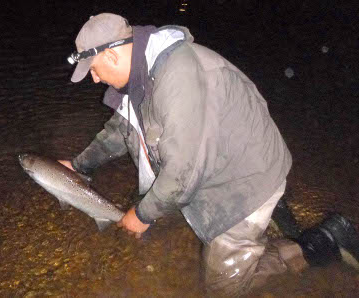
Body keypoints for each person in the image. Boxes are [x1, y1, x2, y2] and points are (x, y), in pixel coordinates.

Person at [59, 13, 359, 296]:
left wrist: (142, 215)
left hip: (243, 179)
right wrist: (78, 165)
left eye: (94, 70)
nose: (95, 79)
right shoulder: (140, 78)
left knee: (223, 287)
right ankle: (252, 241)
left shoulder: (178, 77)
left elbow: (184, 173)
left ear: (112, 56)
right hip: (212, 165)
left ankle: (322, 241)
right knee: (177, 221)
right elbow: (118, 131)